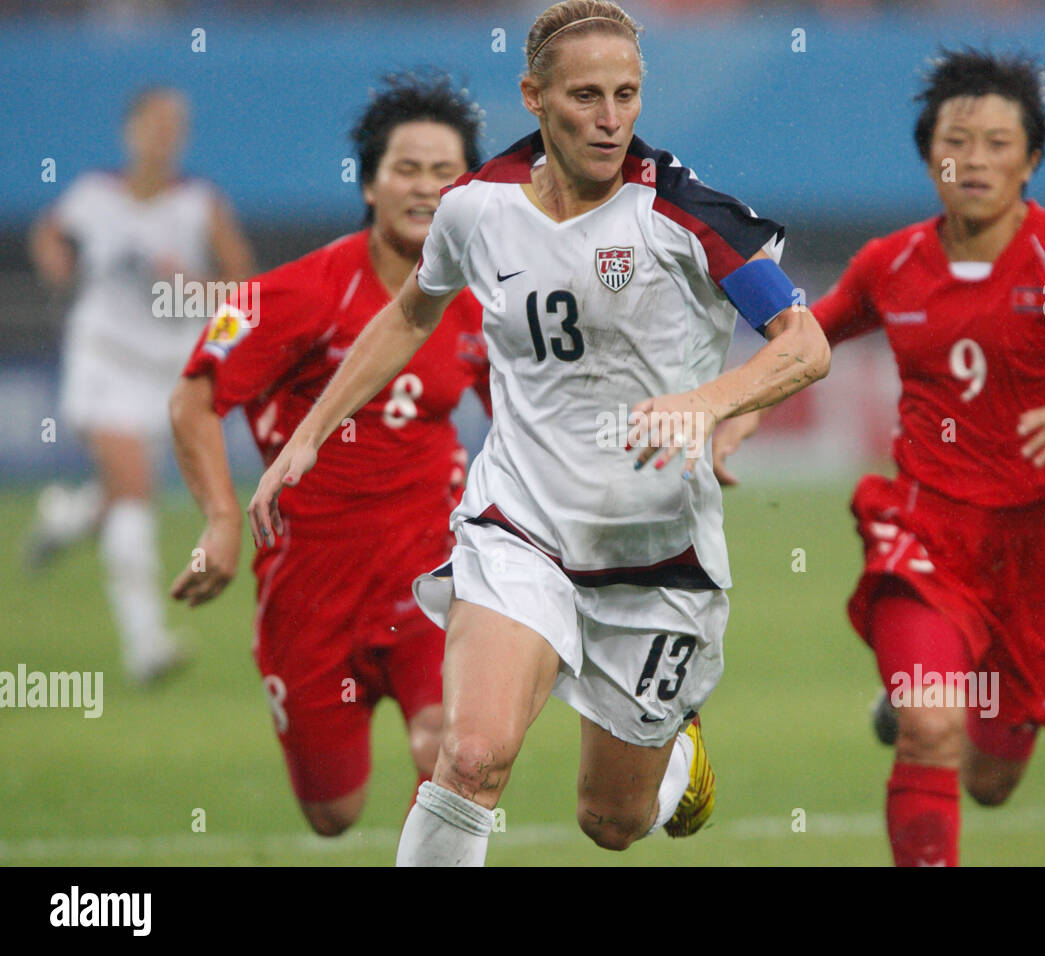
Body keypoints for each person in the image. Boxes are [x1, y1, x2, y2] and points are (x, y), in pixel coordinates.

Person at [247, 0, 830, 866]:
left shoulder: (681, 213)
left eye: (626, 95)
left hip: (654, 552)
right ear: (533, 97)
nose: (609, 120)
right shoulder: (476, 208)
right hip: (521, 526)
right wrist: (310, 433)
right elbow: (411, 312)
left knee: (612, 822)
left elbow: (805, 344)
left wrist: (706, 404)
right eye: (586, 96)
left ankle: (673, 756)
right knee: (472, 753)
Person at [772, 48, 1045, 866]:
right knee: (932, 730)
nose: (977, 159)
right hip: (925, 531)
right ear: (930, 157)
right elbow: (805, 339)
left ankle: (923, 699)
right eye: (959, 141)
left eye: (999, 142)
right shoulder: (890, 262)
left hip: (1035, 552)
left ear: (1030, 160)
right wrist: (732, 412)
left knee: (990, 780)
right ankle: (920, 699)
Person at [169, 73, 490, 836]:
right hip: (309, 583)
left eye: (446, 173)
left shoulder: (482, 294)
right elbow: (193, 396)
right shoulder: (291, 292)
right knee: (332, 813)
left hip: (428, 570)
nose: (426, 188)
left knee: (454, 747)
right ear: (370, 184)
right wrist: (218, 520)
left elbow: (519, 412)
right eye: (406, 169)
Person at [26, 87, 255, 684]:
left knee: (123, 489)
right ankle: (146, 644)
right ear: (130, 131)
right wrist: (58, 262)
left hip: (165, 372)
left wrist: (194, 286)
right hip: (101, 356)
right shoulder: (93, 195)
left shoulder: (199, 204)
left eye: (175, 126)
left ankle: (68, 518)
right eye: (154, 123)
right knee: (134, 489)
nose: (164, 135)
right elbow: (48, 233)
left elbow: (244, 294)